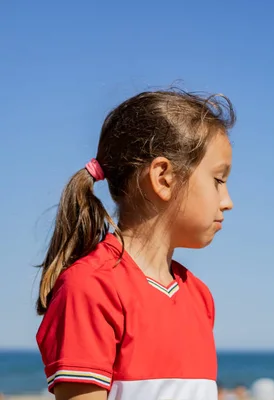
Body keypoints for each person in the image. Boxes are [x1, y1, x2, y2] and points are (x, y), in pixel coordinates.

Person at [35, 89, 236, 400]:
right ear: (163, 178)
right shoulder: (90, 288)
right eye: (218, 180)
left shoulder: (199, 297)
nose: (228, 202)